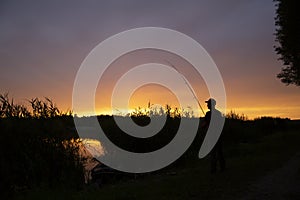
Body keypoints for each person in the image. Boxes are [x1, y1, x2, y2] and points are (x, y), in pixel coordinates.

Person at [203, 98, 226, 174]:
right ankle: (222, 168)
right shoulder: (218, 113)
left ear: (212, 105)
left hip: (212, 136)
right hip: (218, 135)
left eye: (208, 104)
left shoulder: (208, 114)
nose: (207, 105)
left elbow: (206, 123)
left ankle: (213, 169)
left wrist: (203, 127)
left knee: (213, 153)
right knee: (219, 152)